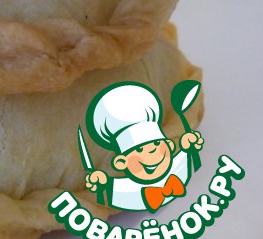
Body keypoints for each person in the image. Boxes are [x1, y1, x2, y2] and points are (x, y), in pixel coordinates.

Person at [84, 82, 203, 212]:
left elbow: (185, 157)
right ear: (121, 162)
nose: (151, 152)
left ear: (169, 145)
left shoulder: (177, 167)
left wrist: (188, 145)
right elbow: (106, 192)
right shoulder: (125, 190)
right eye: (140, 149)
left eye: (156, 144)